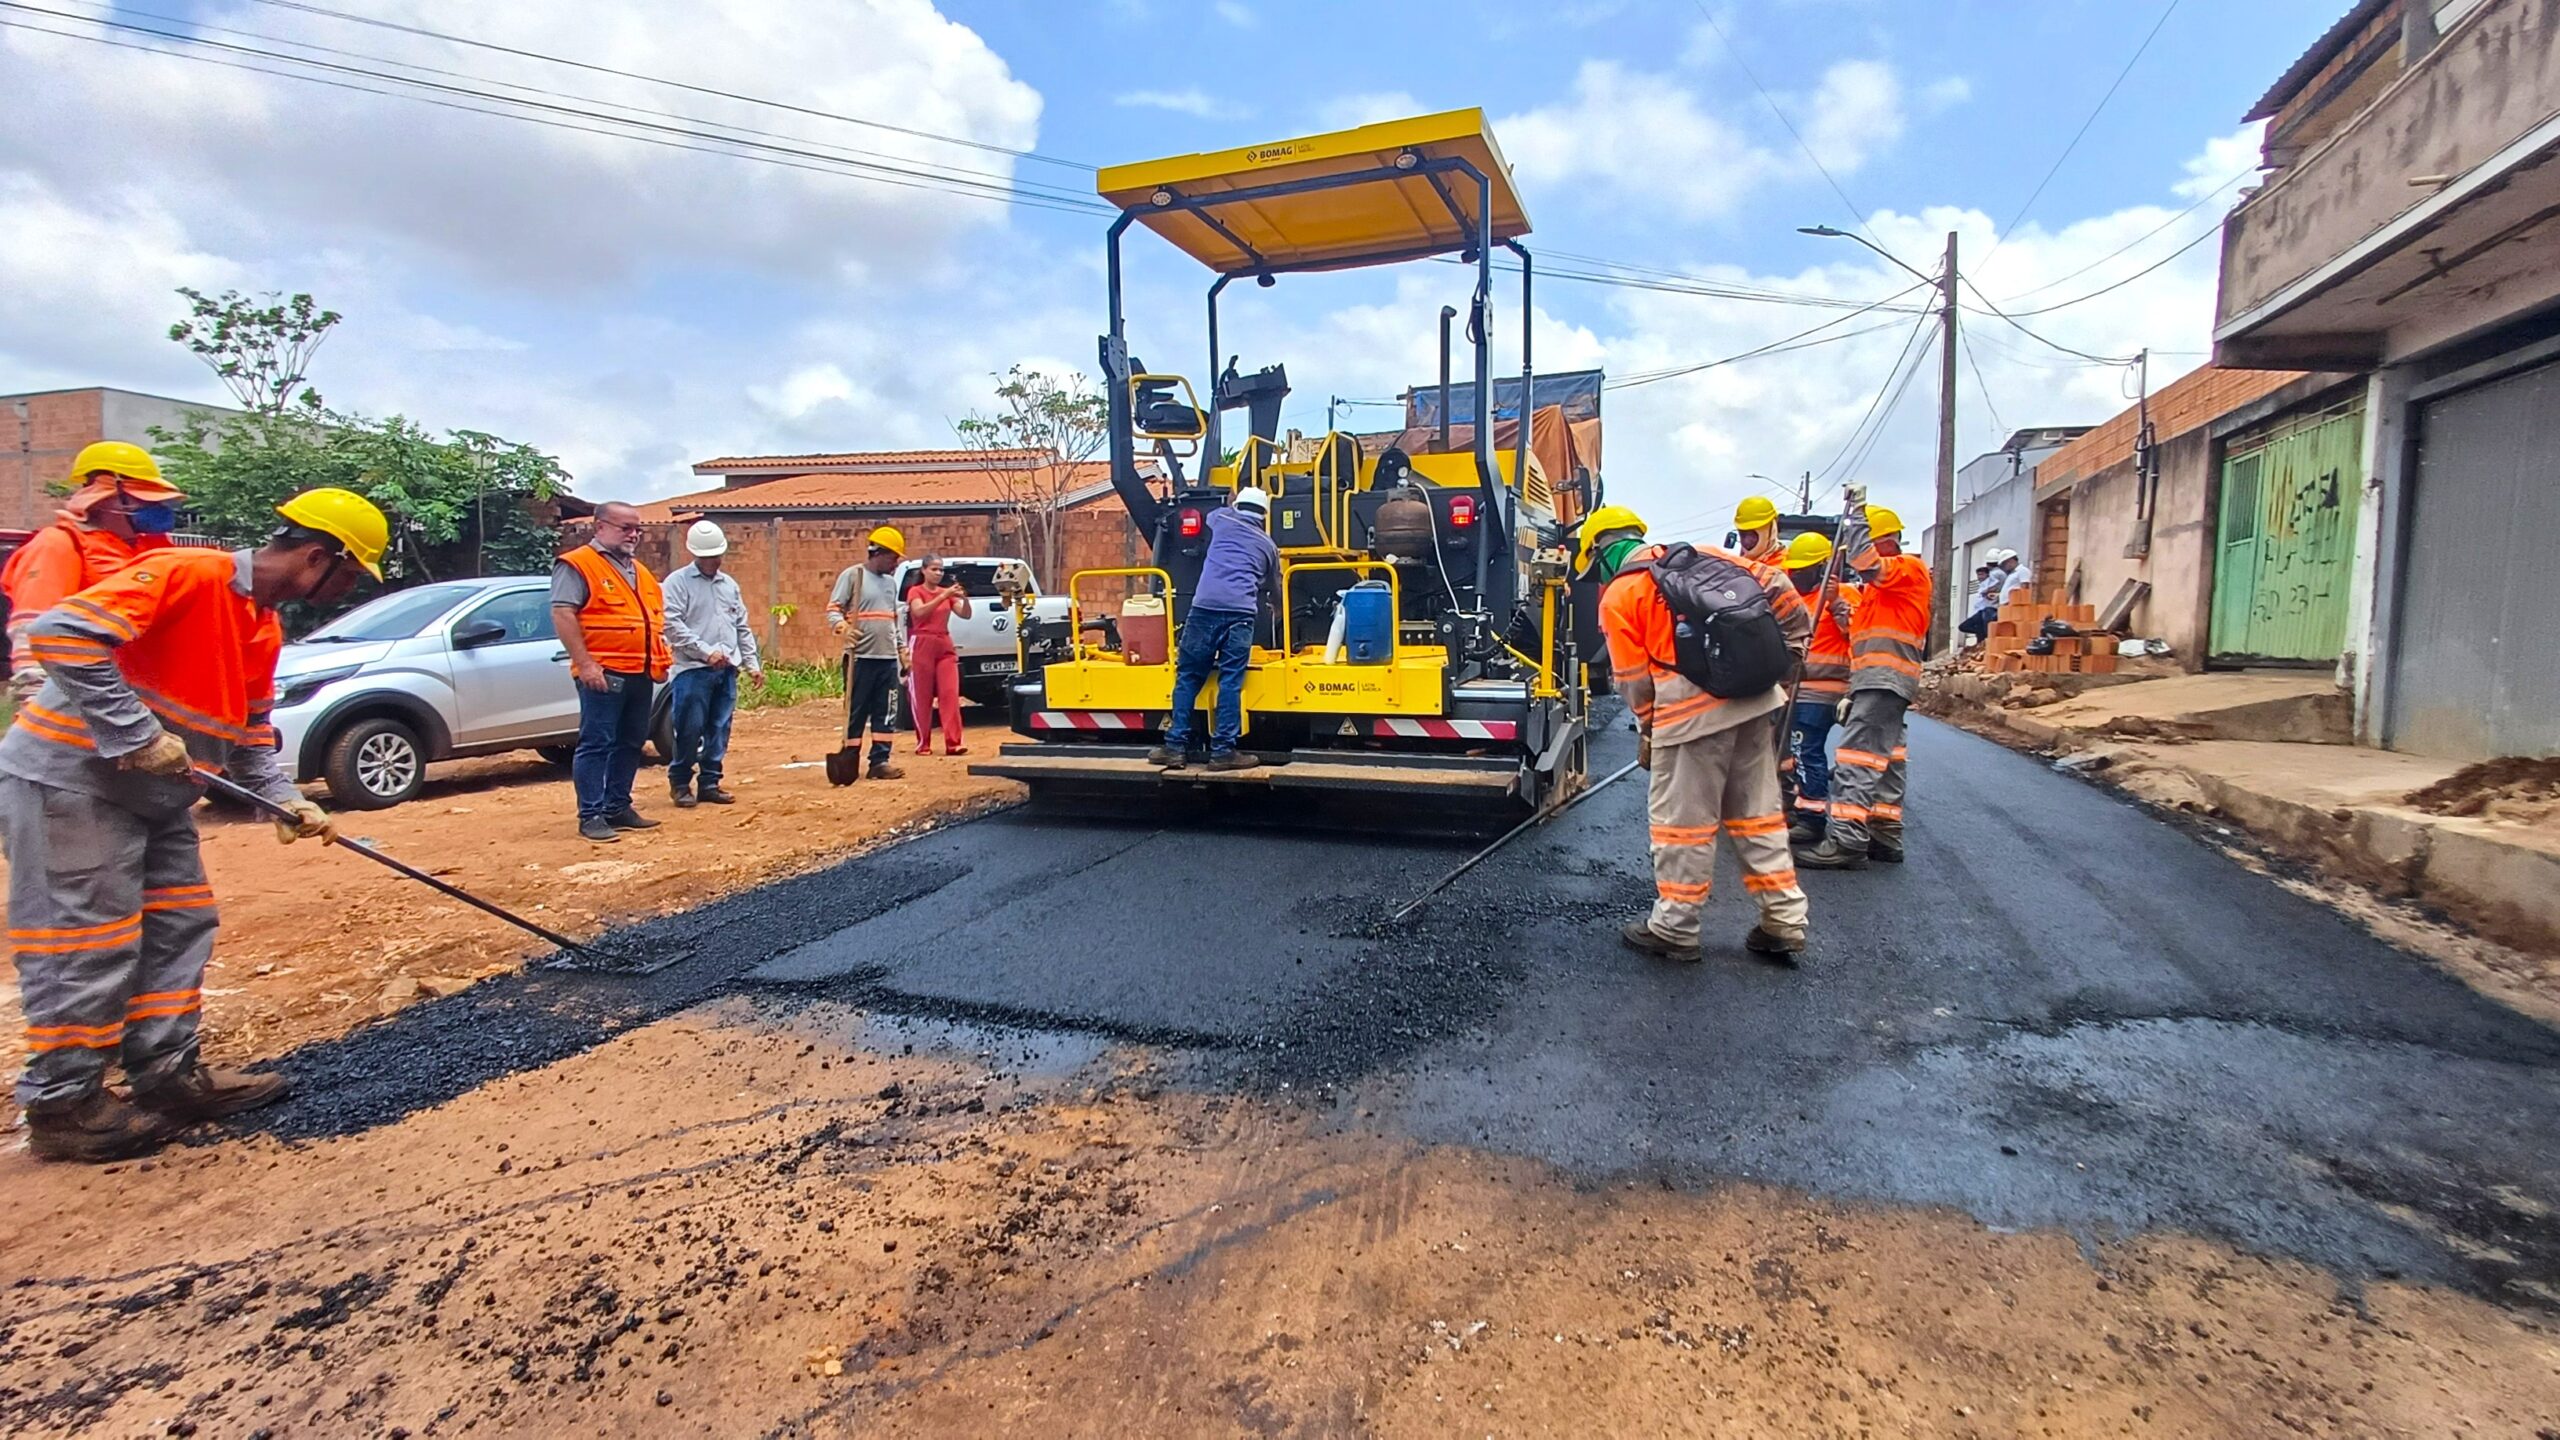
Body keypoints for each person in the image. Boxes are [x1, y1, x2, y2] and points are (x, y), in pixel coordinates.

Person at [0, 487, 384, 1162]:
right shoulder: (192, 574)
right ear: (318, 557)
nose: (346, 589)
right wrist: (135, 733)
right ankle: (65, 1105)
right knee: (87, 940)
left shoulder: (263, 627)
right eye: (351, 575)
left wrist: (287, 801)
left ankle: (167, 1074)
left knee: (180, 923)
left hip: (158, 797)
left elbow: (250, 736)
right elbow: (59, 633)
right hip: (72, 783)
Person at [1585, 505, 1816, 964]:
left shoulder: (1619, 595)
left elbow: (1633, 680)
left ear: (1601, 552)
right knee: (1759, 817)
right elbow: (1780, 586)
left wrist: (1648, 728)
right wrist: (1791, 649)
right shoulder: (1704, 557)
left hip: (1689, 722)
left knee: (1682, 829)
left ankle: (1675, 928)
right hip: (1752, 704)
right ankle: (1784, 921)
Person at [1796, 504, 1931, 870]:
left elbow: (1865, 561)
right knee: (1887, 759)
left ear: (1885, 540)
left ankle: (1846, 839)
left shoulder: (1907, 569)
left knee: (1856, 758)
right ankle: (1885, 835)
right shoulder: (1881, 592)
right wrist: (1841, 608)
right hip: (1877, 681)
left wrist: (1854, 518)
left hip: (1884, 680)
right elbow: (1858, 633)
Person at [2, 443, 186, 702]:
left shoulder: (150, 547)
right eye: (142, 499)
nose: (158, 508)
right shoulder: (59, 545)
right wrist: (34, 699)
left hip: (142, 693)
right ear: (104, 497)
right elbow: (32, 630)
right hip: (84, 695)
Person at [552, 501, 671, 843]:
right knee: (596, 742)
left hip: (640, 672)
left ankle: (618, 805)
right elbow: (563, 614)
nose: (633, 534)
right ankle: (591, 814)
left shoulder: (639, 571)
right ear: (599, 526)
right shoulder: (578, 565)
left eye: (637, 529)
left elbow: (650, 621)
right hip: (604, 673)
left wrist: (660, 660)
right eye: (626, 528)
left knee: (631, 741)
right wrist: (586, 663)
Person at [1149, 486, 1278, 772]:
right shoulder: (1268, 545)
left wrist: (1230, 499)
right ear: (1264, 515)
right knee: (1230, 682)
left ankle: (1174, 748)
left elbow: (1210, 516)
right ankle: (1223, 753)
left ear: (1238, 505)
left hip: (1204, 610)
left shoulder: (1221, 519)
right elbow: (1273, 584)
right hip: (1241, 615)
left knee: (1188, 677)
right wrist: (1277, 607)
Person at [660, 519, 762, 809]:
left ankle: (710, 782)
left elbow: (741, 626)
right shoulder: (677, 584)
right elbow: (671, 624)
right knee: (689, 728)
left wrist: (752, 664)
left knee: (719, 728)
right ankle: (680, 782)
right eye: (708, 557)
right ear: (695, 554)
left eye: (717, 555)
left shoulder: (729, 585)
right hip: (692, 671)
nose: (714, 561)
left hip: (726, 670)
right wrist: (705, 653)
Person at [1782, 532, 1860, 844]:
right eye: (1793, 569)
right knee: (1795, 753)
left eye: (1802, 569)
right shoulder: (1795, 599)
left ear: (1821, 568)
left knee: (1808, 752)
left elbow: (1857, 632)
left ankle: (1813, 818)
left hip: (1822, 691)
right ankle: (1799, 808)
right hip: (1794, 690)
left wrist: (1835, 602)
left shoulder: (1842, 596)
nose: (1795, 575)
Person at [825, 526, 907, 781]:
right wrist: (842, 627)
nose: (895, 564)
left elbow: (893, 621)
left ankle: (880, 761)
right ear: (878, 553)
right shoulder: (853, 576)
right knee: (856, 710)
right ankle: (850, 758)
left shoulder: (891, 585)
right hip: (860, 659)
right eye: (893, 558)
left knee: (887, 710)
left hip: (887, 659)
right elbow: (833, 609)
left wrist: (902, 650)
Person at [903, 554, 971, 756]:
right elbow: (919, 613)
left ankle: (954, 742)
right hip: (922, 642)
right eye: (934, 569)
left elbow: (965, 614)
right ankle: (923, 742)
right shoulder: (916, 591)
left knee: (950, 694)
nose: (938, 573)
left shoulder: (947, 593)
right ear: (924, 570)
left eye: (941, 570)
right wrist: (943, 596)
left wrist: (965, 598)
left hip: (943, 642)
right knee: (922, 696)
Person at [1733, 495, 1783, 563]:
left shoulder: (1788, 565)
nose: (1747, 542)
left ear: (1772, 531)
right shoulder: (1737, 566)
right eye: (1743, 535)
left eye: (1752, 536)